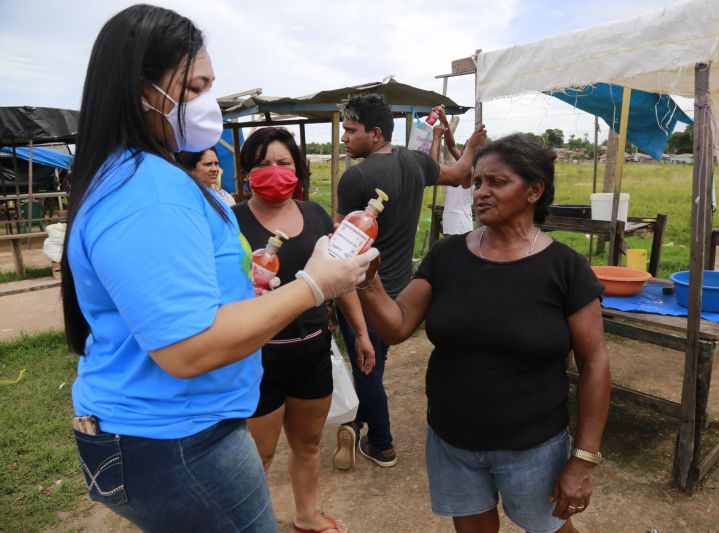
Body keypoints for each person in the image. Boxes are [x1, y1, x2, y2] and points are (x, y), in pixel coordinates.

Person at [60, 6, 377, 532]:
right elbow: (190, 348)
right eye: (193, 88)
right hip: (181, 439)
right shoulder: (150, 193)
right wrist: (315, 285)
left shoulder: (132, 177)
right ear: (142, 89)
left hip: (163, 432)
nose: (208, 102)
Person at [355, 134, 611, 533]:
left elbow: (595, 363)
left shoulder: (565, 268)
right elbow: (398, 324)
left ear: (534, 190)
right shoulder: (447, 255)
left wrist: (583, 458)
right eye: (476, 183)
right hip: (451, 440)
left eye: (497, 182)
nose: (481, 193)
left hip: (534, 447)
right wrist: (367, 283)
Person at [232, 126, 374, 533]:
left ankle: (306, 514)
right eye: (262, 164)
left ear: (298, 169)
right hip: (259, 356)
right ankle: (251, 524)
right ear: (246, 174)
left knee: (308, 444)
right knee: (259, 454)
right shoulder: (230, 222)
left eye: (283, 163)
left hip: (313, 351)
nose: (273, 171)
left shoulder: (313, 214)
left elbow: (340, 279)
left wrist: (361, 332)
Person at [332, 93, 486, 470]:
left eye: (351, 131)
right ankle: (356, 420)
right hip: (399, 291)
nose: (343, 138)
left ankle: (381, 443)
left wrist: (326, 298)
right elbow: (459, 172)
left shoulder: (356, 178)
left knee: (366, 366)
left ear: (376, 133)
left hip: (364, 290)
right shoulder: (414, 162)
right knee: (373, 360)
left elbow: (340, 247)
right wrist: (467, 146)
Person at [429, 105, 481, 236]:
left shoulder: (469, 172)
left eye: (467, 147)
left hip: (458, 226)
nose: (462, 150)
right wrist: (445, 121)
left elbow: (434, 171)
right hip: (455, 223)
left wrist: (436, 138)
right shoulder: (467, 164)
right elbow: (451, 145)